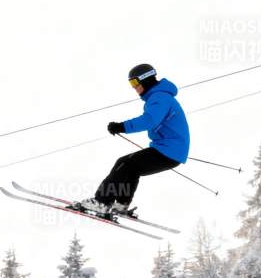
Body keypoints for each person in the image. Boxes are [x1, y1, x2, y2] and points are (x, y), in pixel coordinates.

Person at [73, 63, 189, 218]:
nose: (133, 87)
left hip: (169, 150)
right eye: (131, 83)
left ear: (145, 79)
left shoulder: (160, 97)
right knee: (132, 168)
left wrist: (122, 126)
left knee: (124, 163)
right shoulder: (160, 97)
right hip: (170, 150)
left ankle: (101, 202)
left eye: (134, 82)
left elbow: (149, 120)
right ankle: (121, 205)